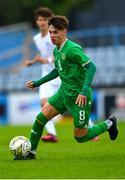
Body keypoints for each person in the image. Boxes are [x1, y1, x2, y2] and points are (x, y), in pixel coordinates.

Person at [15, 16, 118, 160]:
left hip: (79, 97)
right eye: (50, 32)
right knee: (40, 118)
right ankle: (30, 152)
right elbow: (58, 70)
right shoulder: (57, 50)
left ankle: (109, 123)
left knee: (81, 137)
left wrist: (83, 91)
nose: (51, 35)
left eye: (55, 32)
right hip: (63, 93)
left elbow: (92, 67)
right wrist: (38, 82)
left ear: (64, 32)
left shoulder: (73, 49)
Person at [24, 7, 61, 142]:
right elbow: (42, 54)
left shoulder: (54, 36)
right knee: (44, 104)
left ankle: (89, 127)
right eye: (40, 19)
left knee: (73, 104)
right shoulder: (37, 38)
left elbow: (59, 54)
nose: (42, 22)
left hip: (60, 74)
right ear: (36, 21)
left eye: (45, 19)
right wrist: (33, 61)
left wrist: (46, 60)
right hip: (47, 75)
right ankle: (52, 134)